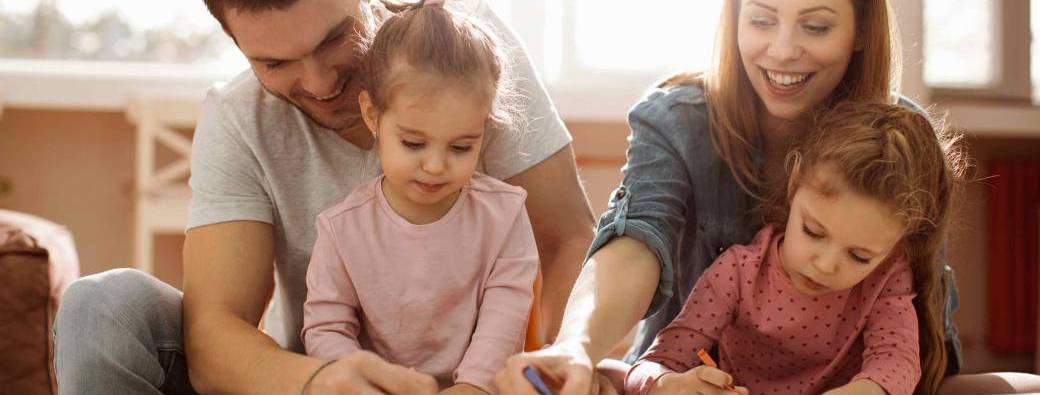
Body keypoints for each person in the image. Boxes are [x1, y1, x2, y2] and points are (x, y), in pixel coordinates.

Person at [496, 0, 1040, 394]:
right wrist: (577, 346)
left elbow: (914, 350)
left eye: (816, 24)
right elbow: (637, 239)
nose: (782, 50)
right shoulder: (680, 123)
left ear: (860, 30)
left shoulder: (901, 145)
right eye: (761, 18)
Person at [53, 0, 594, 393]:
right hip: (310, 375)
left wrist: (542, 367)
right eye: (274, 63)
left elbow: (569, 236)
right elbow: (214, 333)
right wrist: (321, 379)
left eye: (335, 38)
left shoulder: (465, 52)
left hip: (480, 380)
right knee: (100, 305)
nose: (318, 82)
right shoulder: (239, 118)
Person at [626, 102, 963, 395]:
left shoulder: (887, 277)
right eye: (814, 232)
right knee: (610, 373)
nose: (826, 265)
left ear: (897, 245)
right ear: (794, 184)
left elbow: (897, 360)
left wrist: (867, 390)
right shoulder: (738, 273)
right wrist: (668, 385)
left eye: (859, 256)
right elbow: (653, 365)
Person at [301, 2, 538, 393]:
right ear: (373, 116)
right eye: (413, 143)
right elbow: (326, 327)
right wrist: (366, 383)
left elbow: (506, 315)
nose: (435, 166)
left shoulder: (505, 214)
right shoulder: (341, 228)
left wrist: (474, 387)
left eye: (461, 147)